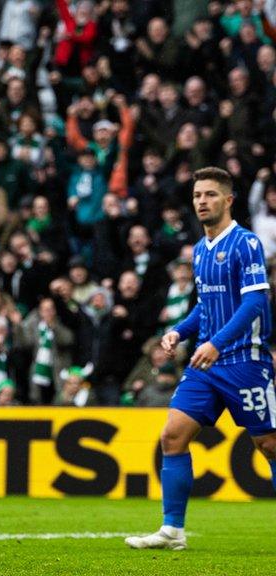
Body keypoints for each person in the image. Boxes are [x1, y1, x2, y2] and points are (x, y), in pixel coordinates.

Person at [125, 167, 274, 551]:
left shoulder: (246, 243)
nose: (202, 202)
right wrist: (180, 330)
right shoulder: (200, 250)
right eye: (197, 196)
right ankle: (172, 530)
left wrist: (218, 343)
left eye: (210, 194)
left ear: (228, 200)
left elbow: (256, 301)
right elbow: (206, 307)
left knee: (270, 445)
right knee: (172, 436)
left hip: (245, 361)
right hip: (206, 365)